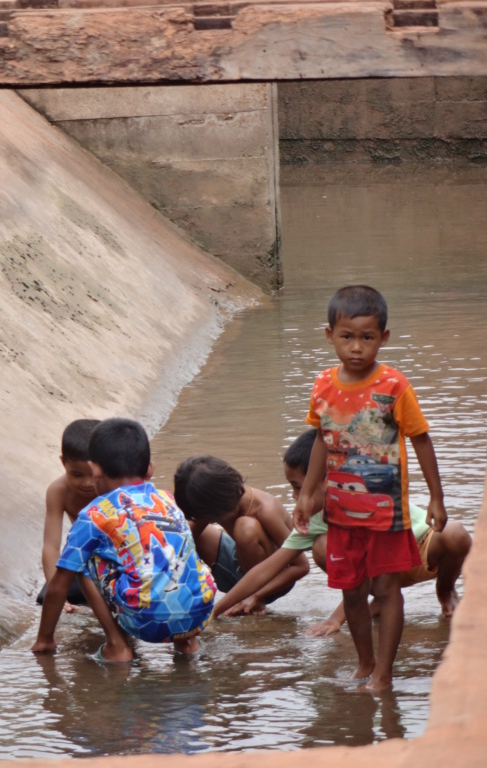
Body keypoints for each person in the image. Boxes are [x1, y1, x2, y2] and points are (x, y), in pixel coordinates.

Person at [293, 284, 448, 691]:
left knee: (386, 587)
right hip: (340, 513)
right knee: (351, 589)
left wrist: (436, 496)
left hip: (387, 513)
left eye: (367, 338)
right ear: (330, 336)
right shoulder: (322, 385)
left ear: (384, 337)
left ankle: (384, 672)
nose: (357, 348)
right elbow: (319, 443)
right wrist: (309, 494)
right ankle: (365, 662)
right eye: (347, 337)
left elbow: (421, 439)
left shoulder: (394, 386)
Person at [213, 429, 472, 628]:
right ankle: (380, 600)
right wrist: (217, 609)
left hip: (417, 550)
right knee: (323, 547)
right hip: (379, 572)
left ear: (326, 479)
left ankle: (445, 590)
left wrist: (337, 619)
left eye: (298, 487)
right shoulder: (313, 521)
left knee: (455, 534)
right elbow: (265, 569)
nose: (294, 496)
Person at [32, 417, 216, 662]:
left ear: (95, 469)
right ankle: (187, 644)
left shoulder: (93, 514)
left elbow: (58, 585)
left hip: (145, 622)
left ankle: (118, 646)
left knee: (83, 557)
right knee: (175, 555)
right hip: (200, 614)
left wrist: (44, 640)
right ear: (149, 469)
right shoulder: (167, 499)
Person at [174, 455, 309, 615]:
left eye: (211, 517)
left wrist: (256, 594)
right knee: (184, 536)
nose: (210, 520)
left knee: (245, 527)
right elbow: (186, 539)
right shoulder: (219, 499)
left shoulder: (266, 510)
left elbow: (301, 566)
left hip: (269, 582)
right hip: (237, 568)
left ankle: (256, 603)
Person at [37, 419, 100, 612]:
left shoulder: (114, 488)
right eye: (77, 474)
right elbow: (50, 547)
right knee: (46, 597)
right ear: (63, 463)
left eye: (93, 474)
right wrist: (58, 595)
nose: (88, 483)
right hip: (86, 566)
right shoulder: (58, 491)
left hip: (119, 567)